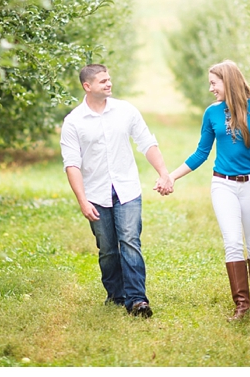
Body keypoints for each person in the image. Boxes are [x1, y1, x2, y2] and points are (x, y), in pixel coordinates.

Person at [157, 60, 250, 321]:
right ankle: (242, 305)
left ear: (228, 81)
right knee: (232, 242)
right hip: (223, 184)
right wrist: (171, 176)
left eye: (213, 83)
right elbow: (201, 153)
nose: (210, 88)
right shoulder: (211, 113)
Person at [60, 64, 173, 318]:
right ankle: (115, 295)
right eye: (103, 81)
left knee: (130, 241)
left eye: (109, 79)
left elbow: (147, 142)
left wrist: (163, 173)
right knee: (108, 249)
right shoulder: (74, 122)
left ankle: (137, 300)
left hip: (127, 189)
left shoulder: (126, 111)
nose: (109, 84)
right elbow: (72, 164)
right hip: (95, 194)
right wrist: (82, 201)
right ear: (87, 87)